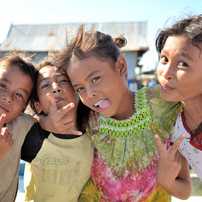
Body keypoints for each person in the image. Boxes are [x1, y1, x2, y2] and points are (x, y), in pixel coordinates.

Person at [54, 25, 191, 201]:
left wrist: (167, 181)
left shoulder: (162, 105)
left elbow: (185, 190)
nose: (89, 94)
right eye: (80, 88)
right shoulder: (88, 119)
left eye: (95, 79)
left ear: (121, 66)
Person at [21, 57, 94, 202]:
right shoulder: (34, 138)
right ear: (37, 106)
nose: (56, 87)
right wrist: (44, 122)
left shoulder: (95, 133)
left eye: (63, 80)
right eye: (45, 85)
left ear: (77, 92)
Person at [154, 14, 202, 190]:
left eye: (182, 63)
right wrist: (165, 180)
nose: (166, 73)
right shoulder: (175, 127)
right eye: (164, 59)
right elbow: (185, 189)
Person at [0, 52, 37, 202]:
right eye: (2, 85)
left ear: (24, 107)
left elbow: (43, 122)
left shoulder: (22, 124)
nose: (7, 97)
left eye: (19, 95)